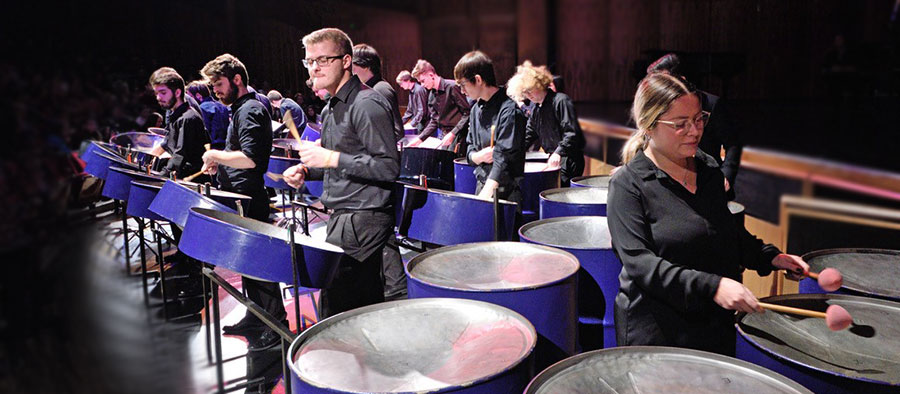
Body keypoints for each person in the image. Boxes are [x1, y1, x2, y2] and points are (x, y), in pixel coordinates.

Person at [608, 72, 810, 356]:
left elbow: (724, 232)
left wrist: (770, 256)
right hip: (658, 332)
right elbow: (641, 265)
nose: (695, 131)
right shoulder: (628, 185)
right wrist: (713, 286)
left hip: (711, 324)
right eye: (680, 124)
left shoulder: (708, 170)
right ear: (649, 126)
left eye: (699, 119)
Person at [282, 28, 400, 317]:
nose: (314, 68)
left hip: (364, 224)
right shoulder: (330, 108)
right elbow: (341, 165)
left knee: (344, 318)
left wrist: (331, 157)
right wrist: (307, 170)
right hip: (344, 220)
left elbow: (388, 167)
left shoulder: (367, 104)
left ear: (346, 61)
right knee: (340, 318)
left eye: (323, 59)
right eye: (309, 61)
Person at [198, 54, 285, 352]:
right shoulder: (240, 109)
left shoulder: (250, 111)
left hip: (250, 200)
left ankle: (276, 324)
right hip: (239, 196)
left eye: (219, 84)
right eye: (211, 86)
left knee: (260, 267)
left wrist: (215, 156)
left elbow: (251, 159)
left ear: (237, 79)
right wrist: (221, 165)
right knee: (247, 265)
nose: (215, 91)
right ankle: (255, 315)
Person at [647, 53, 742, 198]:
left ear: (682, 79)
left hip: (707, 179)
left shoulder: (711, 104)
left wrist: (726, 176)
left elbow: (733, 144)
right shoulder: (660, 107)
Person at [456, 51, 526, 202]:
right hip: (482, 186)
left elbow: (503, 160)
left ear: (478, 79)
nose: (462, 91)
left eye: (463, 85)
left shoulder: (509, 111)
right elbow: (469, 146)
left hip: (504, 193)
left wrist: (483, 198)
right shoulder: (475, 109)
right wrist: (477, 156)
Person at [507, 61, 586, 186]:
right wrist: (511, 151)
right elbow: (527, 136)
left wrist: (558, 152)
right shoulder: (536, 109)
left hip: (569, 158)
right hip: (554, 157)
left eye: (529, 91)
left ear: (539, 85)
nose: (528, 96)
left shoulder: (561, 101)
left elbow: (571, 133)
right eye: (524, 93)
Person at [147, 68, 211, 182]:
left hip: (191, 182)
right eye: (156, 93)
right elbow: (167, 144)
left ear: (177, 92)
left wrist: (159, 177)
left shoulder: (189, 118)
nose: (158, 98)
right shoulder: (175, 116)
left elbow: (180, 156)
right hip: (179, 177)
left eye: (163, 93)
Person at [409, 59, 470, 152]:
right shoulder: (431, 96)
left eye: (423, 81)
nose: (421, 85)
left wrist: (453, 133)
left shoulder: (452, 87)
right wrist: (420, 139)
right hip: (446, 137)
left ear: (431, 75)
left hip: (460, 137)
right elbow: (434, 121)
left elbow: (468, 113)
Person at [352, 43, 403, 141]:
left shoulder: (381, 89)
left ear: (365, 65)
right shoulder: (367, 89)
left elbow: (397, 131)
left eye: (352, 67)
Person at [187, 80, 230, 150]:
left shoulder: (202, 109)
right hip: (226, 147)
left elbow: (203, 134)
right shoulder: (223, 106)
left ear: (198, 96)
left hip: (212, 148)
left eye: (190, 97)